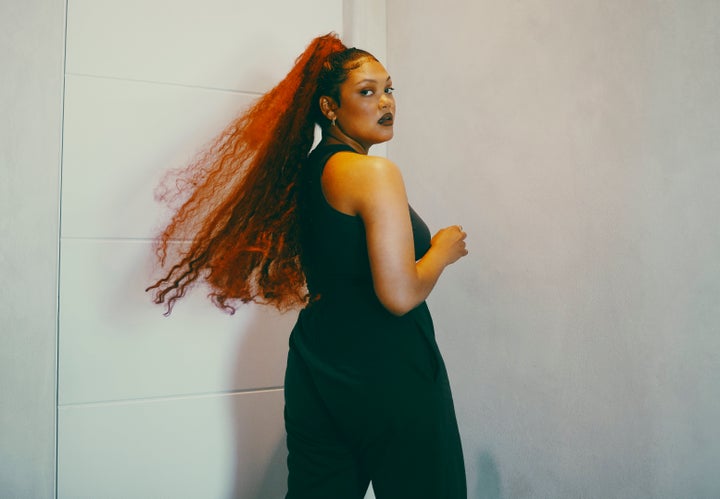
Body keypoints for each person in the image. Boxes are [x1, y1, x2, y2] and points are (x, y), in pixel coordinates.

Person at [147, 33, 468, 498]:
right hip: (390, 375)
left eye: (389, 89)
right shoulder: (373, 173)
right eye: (367, 91)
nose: (386, 103)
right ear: (329, 107)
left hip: (317, 369)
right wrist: (442, 249)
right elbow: (398, 296)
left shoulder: (310, 171)